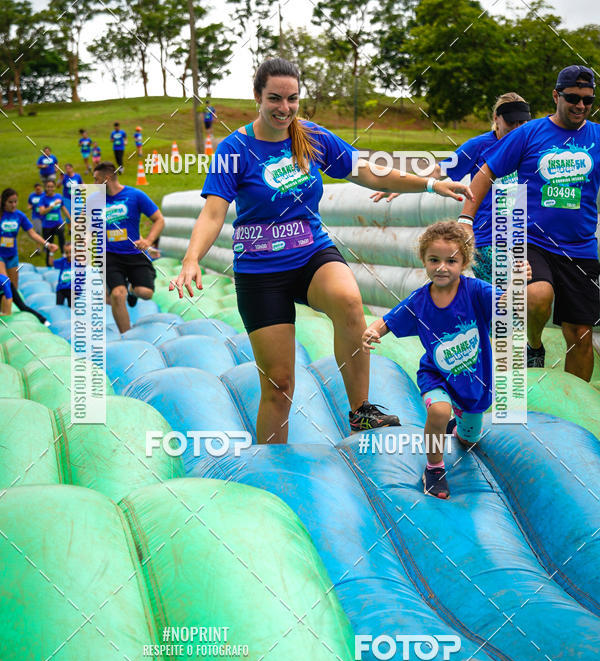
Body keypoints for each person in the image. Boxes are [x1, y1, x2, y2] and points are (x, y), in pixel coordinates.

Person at [172, 58, 472, 443]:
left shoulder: (311, 137)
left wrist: (430, 184)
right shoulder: (236, 148)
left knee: (349, 300)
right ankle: (270, 469)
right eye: (275, 98)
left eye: (293, 99)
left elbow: (366, 170)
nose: (284, 108)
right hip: (260, 270)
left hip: (311, 252)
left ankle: (361, 411)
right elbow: (214, 212)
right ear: (257, 98)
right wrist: (192, 257)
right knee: (279, 386)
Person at [362, 222, 531, 499]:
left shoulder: (475, 291)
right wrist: (373, 330)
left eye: (451, 260)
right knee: (439, 412)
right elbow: (389, 320)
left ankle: (457, 426)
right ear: (424, 261)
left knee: (468, 440)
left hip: (474, 378)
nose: (442, 267)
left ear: (464, 262)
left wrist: (516, 283)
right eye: (434, 260)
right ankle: (434, 468)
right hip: (436, 374)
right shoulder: (419, 301)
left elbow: (504, 305)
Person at [460, 65, 600, 381]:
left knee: (580, 334)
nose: (580, 106)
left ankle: (572, 412)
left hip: (580, 247)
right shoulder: (529, 133)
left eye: (587, 100)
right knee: (537, 297)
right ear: (556, 95)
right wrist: (466, 220)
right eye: (573, 98)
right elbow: (485, 172)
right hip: (531, 240)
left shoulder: (597, 138)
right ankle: (533, 344)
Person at [370, 93, 531, 283]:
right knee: (504, 297)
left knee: (520, 299)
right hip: (488, 238)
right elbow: (440, 169)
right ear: (496, 118)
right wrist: (402, 184)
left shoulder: (529, 145)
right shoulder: (479, 146)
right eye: (511, 123)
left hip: (521, 236)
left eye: (522, 123)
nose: (517, 129)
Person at [93, 162, 164, 333]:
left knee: (146, 293)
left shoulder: (135, 195)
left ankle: (132, 290)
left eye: (96, 180)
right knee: (117, 295)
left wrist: (148, 241)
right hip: (109, 255)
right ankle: (127, 337)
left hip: (134, 254)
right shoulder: (93, 201)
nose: (94, 184)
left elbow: (159, 219)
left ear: (107, 178)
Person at [0, 188, 57, 321]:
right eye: (10, 202)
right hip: (0, 256)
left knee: (14, 289)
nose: (13, 205)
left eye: (15, 202)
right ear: (4, 202)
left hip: (12, 256)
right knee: (4, 283)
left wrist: (47, 244)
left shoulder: (19, 215)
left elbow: (32, 233)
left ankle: (11, 314)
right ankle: (4, 316)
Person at [38, 179, 70, 267]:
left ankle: (64, 253)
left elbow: (63, 208)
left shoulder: (59, 196)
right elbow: (42, 212)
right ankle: (49, 264)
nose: (50, 188)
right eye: (48, 187)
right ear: (46, 188)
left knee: (61, 233)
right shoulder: (43, 198)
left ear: (54, 187)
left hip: (57, 223)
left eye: (52, 187)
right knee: (49, 246)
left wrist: (70, 218)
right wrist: (52, 205)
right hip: (47, 226)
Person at [53, 242, 72, 307]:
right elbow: (51, 263)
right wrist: (51, 253)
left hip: (72, 289)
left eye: (71, 252)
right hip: (61, 289)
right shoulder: (63, 261)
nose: (69, 255)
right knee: (59, 307)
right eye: (67, 253)